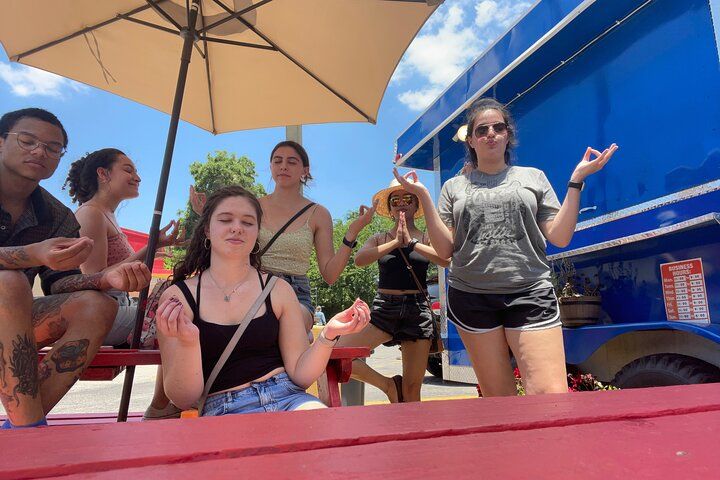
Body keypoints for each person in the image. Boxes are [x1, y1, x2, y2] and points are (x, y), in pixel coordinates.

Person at [393, 97, 617, 397]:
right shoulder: (453, 188)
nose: (490, 134)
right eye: (482, 129)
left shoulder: (532, 177)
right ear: (471, 140)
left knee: (550, 395)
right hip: (471, 297)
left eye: (498, 127)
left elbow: (560, 236)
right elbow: (446, 251)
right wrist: (422, 195)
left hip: (530, 291)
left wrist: (576, 181)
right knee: (499, 398)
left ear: (507, 134)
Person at [156, 186, 371, 415]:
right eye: (226, 219)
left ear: (258, 231)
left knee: (323, 435)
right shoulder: (178, 298)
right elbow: (183, 397)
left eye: (248, 222)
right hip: (224, 408)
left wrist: (329, 335)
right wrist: (188, 343)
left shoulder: (277, 289)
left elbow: (301, 374)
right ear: (207, 229)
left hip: (289, 397)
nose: (237, 228)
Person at [0, 108, 151, 429]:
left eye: (53, 148)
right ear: (1, 143)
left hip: (13, 320)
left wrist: (103, 278)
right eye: (27, 141)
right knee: (10, 283)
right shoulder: (89, 213)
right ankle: (28, 431)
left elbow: (62, 284)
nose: (39, 151)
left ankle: (22, 426)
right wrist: (29, 254)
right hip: (9, 304)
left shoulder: (58, 217)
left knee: (97, 305)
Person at [190, 141, 375, 332]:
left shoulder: (319, 214)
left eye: (292, 162)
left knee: (281, 327)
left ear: (305, 170)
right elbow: (228, 236)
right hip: (251, 286)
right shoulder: (251, 206)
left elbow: (329, 274)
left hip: (296, 293)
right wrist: (206, 215)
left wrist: (352, 232)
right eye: (277, 161)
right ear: (271, 167)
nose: (283, 166)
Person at [337, 177, 449, 402]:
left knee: (411, 391)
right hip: (385, 308)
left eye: (408, 197)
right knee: (336, 356)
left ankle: (412, 435)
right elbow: (360, 259)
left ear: (417, 205)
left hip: (418, 311)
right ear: (389, 209)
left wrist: (412, 243)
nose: (401, 202)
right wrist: (395, 242)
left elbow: (445, 259)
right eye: (395, 200)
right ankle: (388, 385)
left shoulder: (426, 237)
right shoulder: (380, 237)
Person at [64, 148, 184, 346]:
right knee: (183, 312)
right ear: (103, 174)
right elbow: (93, 279)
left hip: (120, 306)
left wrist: (155, 245)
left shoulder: (106, 215)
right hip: (103, 313)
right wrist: (150, 248)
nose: (137, 178)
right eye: (128, 170)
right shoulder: (90, 213)